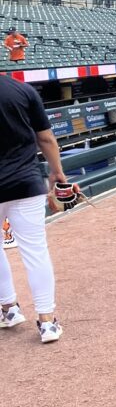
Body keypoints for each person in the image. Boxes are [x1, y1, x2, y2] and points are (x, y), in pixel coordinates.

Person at [0, 73, 68, 343]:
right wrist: (57, 172)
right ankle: (47, 322)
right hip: (25, 181)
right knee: (36, 251)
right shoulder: (22, 90)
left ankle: (8, 309)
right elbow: (47, 139)